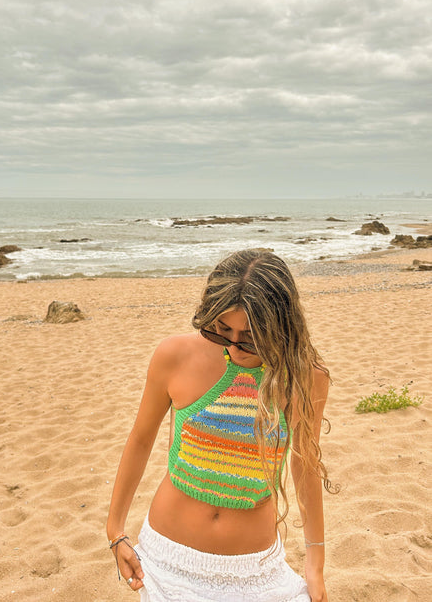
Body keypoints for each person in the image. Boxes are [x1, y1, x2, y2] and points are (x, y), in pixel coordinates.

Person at [107, 249, 334, 601]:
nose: (234, 345)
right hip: (167, 559)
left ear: (280, 327)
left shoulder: (305, 378)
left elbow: (305, 466)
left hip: (256, 570)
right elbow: (140, 439)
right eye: (221, 329)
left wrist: (315, 564)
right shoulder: (174, 356)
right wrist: (116, 530)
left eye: (250, 336)